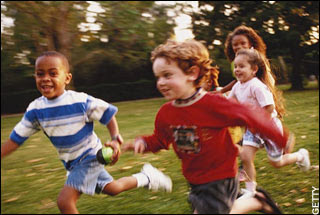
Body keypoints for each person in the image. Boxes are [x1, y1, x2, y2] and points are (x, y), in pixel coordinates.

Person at [124, 39, 290, 214]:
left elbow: (251, 115)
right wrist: (143, 143)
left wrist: (280, 138)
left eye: (167, 75)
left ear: (192, 73)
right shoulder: (166, 113)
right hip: (194, 178)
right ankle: (257, 201)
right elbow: (160, 139)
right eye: (158, 77)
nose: (161, 83)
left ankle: (256, 202)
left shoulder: (212, 104)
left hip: (220, 177)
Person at [1, 51, 172, 214]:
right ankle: (147, 177)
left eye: (53, 73)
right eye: (40, 74)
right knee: (113, 189)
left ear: (67, 78)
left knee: (65, 201)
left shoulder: (80, 101)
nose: (46, 79)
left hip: (90, 156)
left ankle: (147, 177)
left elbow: (107, 114)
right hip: (71, 162)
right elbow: (16, 139)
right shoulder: (35, 109)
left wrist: (114, 138)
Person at [228, 48, 311, 199]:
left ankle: (300, 156)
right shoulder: (237, 86)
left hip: (268, 127)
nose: (237, 70)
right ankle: (251, 190)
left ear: (254, 69)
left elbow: (269, 107)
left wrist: (257, 123)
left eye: (241, 66)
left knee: (276, 162)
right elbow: (227, 102)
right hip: (252, 130)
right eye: (236, 66)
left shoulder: (256, 85)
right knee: (246, 157)